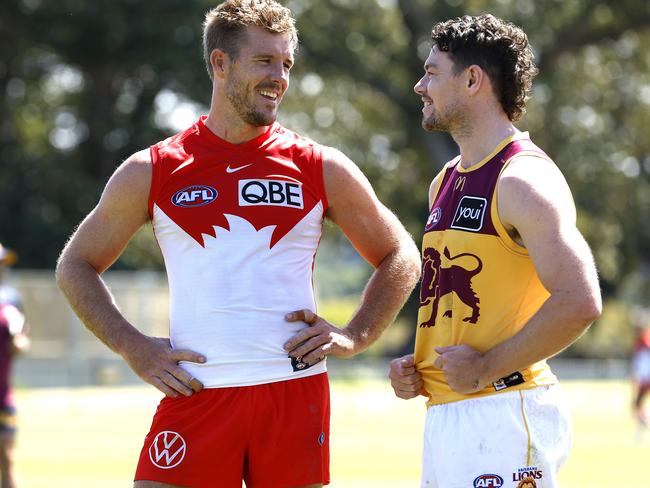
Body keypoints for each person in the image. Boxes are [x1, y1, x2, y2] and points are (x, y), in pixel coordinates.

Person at [55, 1, 421, 487]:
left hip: (293, 394)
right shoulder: (153, 169)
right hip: (196, 394)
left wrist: (356, 335)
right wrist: (133, 346)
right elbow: (76, 265)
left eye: (286, 64)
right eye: (265, 61)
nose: (280, 77)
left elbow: (401, 254)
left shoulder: (319, 165)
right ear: (220, 63)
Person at [388, 14, 602, 488]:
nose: (420, 85)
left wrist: (484, 367)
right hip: (449, 416)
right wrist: (418, 368)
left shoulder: (522, 180)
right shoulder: (444, 181)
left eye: (432, 72)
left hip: (506, 410)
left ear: (472, 80)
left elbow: (580, 301)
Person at [0, 243, 30, 488]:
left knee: (7, 457)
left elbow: (21, 344)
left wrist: (18, 341)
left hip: (3, 395)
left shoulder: (11, 299)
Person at [631, 308, 650, 428]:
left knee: (637, 404)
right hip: (644, 378)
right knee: (637, 404)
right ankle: (643, 425)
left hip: (646, 379)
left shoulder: (644, 342)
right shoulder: (640, 341)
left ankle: (645, 425)